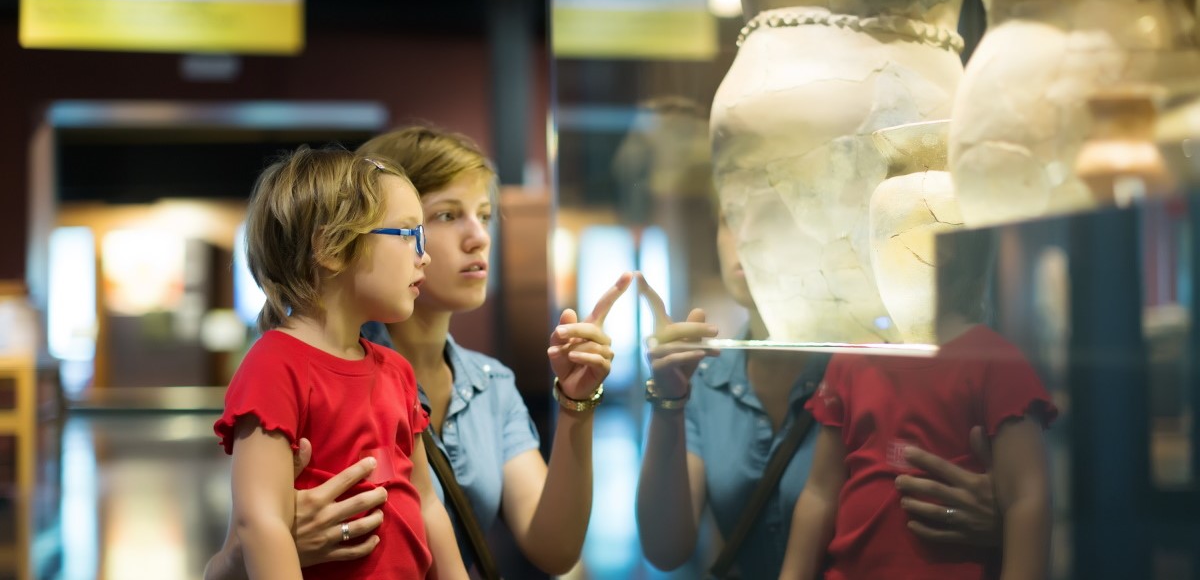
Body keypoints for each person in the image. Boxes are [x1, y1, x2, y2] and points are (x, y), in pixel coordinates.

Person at [203, 126, 632, 579]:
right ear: (335, 243)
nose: (479, 238)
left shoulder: (472, 382)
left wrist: (576, 400)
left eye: (484, 215)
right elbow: (253, 529)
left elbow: (552, 548)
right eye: (443, 217)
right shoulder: (286, 363)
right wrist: (257, 547)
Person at [635, 206, 1005, 579]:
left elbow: (1000, 497)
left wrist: (1000, 516)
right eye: (730, 216)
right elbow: (665, 550)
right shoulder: (707, 377)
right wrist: (668, 401)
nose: (746, 235)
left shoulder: (876, 365)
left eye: (772, 213)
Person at [211, 147, 467, 578]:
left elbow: (425, 500)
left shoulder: (396, 370)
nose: (423, 255)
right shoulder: (275, 366)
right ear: (331, 247)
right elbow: (260, 522)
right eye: (408, 234)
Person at [779, 231, 1059, 579]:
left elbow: (1028, 498)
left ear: (942, 245)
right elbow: (820, 491)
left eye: (883, 229)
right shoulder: (853, 357)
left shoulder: (993, 360)